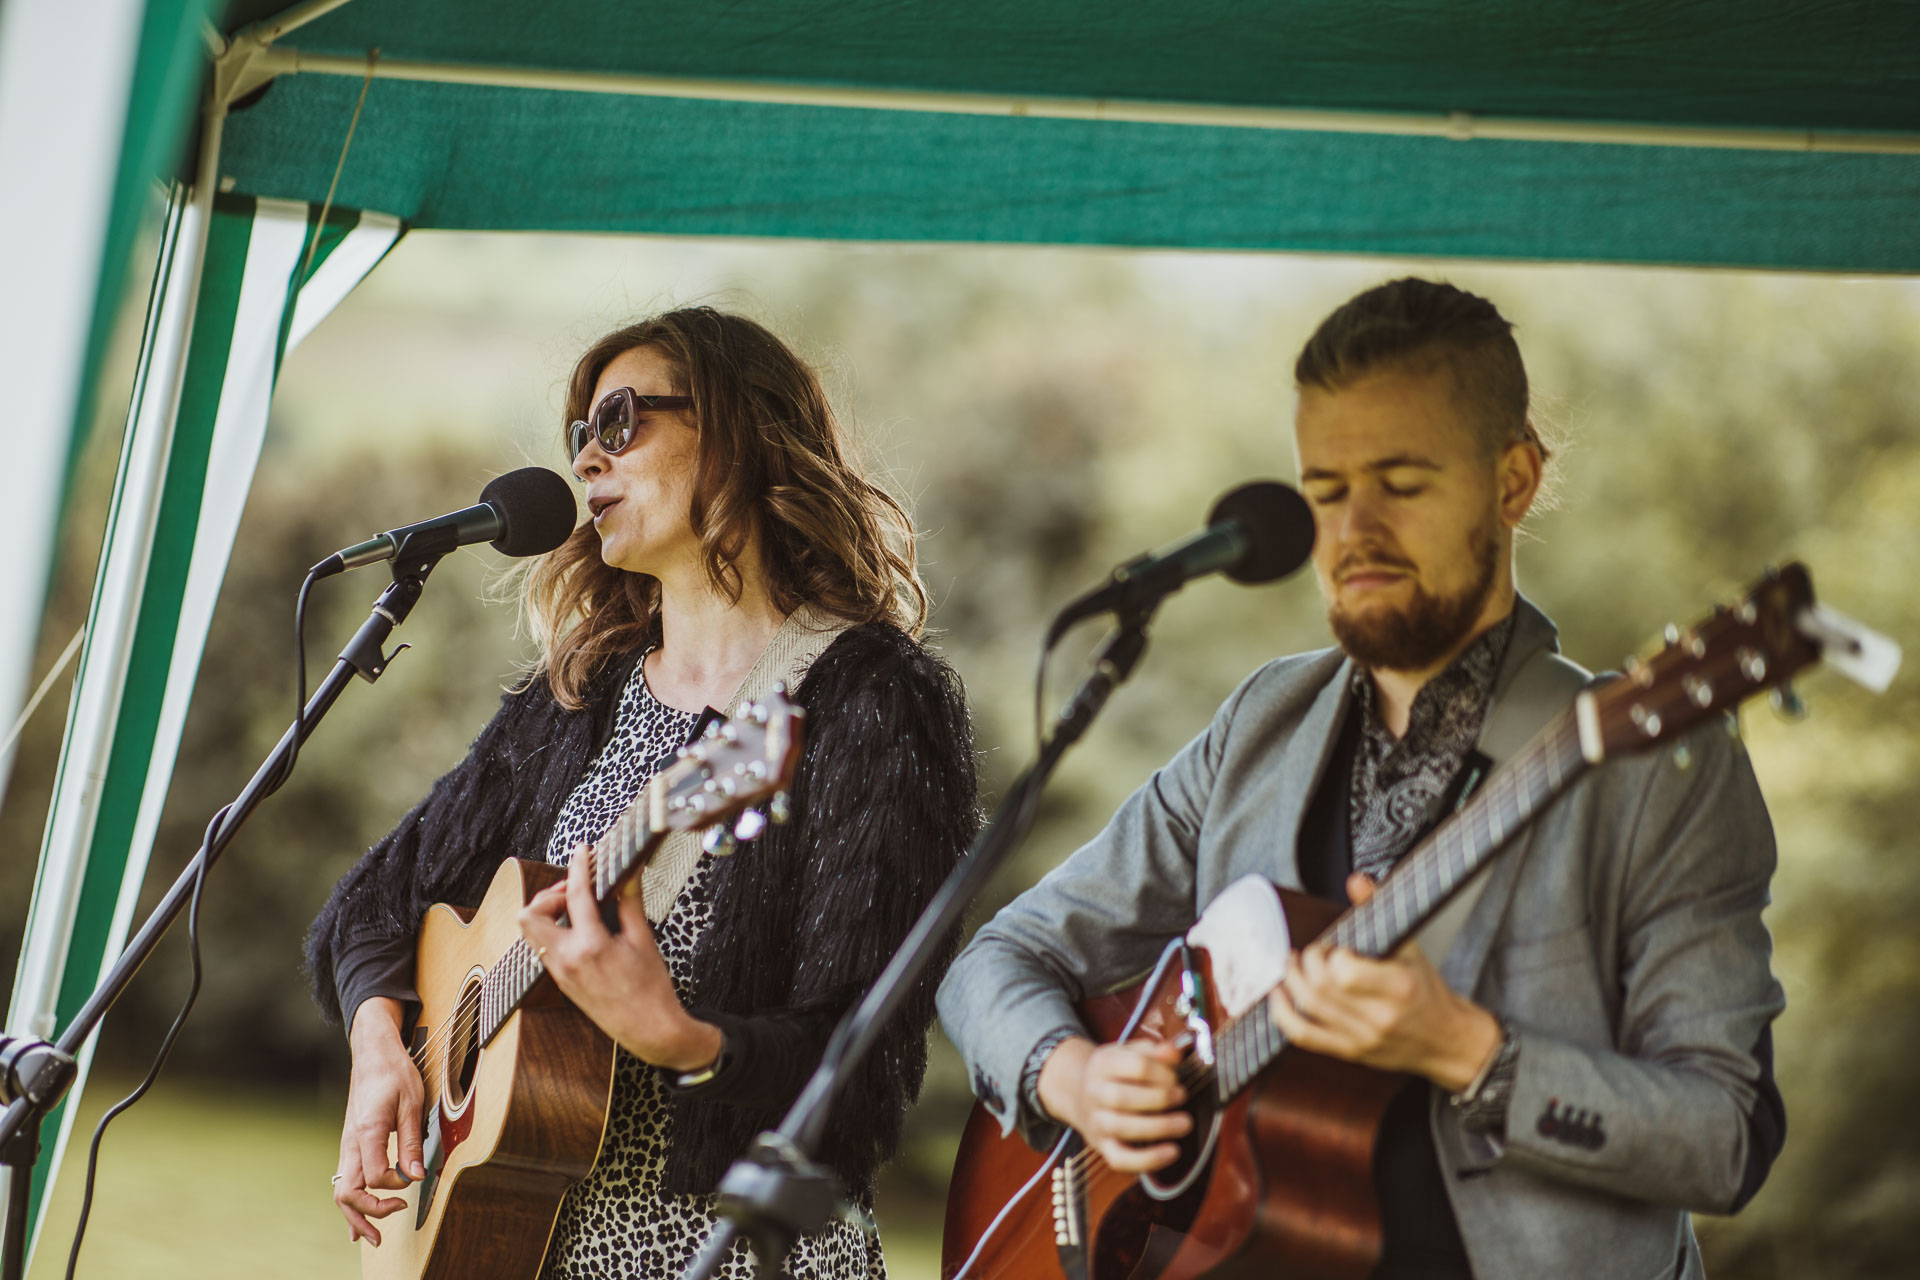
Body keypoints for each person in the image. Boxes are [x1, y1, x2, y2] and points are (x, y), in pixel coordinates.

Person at [938, 279, 1786, 1279]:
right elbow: (995, 959)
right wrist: (1075, 1076)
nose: (1355, 529)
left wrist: (1474, 1052)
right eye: (1326, 490)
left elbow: (1727, 1135)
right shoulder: (1261, 725)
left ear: (1513, 480)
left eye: (1403, 480)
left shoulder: (1655, 766)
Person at [306, 307, 978, 1280]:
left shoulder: (870, 699)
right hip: (525, 1244)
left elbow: (867, 1081)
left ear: (743, 432)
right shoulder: (583, 691)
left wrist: (682, 1038)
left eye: (620, 420)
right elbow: (369, 904)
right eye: (580, 434)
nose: (586, 461)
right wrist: (383, 1053)